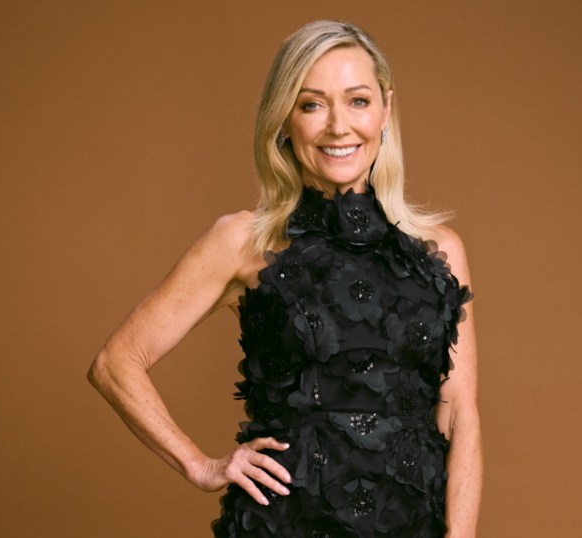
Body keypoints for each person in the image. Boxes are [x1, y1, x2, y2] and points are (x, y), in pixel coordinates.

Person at [88, 20, 482, 537]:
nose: (339, 126)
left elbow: (460, 417)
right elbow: (117, 363)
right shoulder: (242, 242)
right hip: (285, 524)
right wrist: (202, 465)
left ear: (386, 108)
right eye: (312, 104)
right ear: (284, 121)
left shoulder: (440, 252)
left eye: (358, 101)